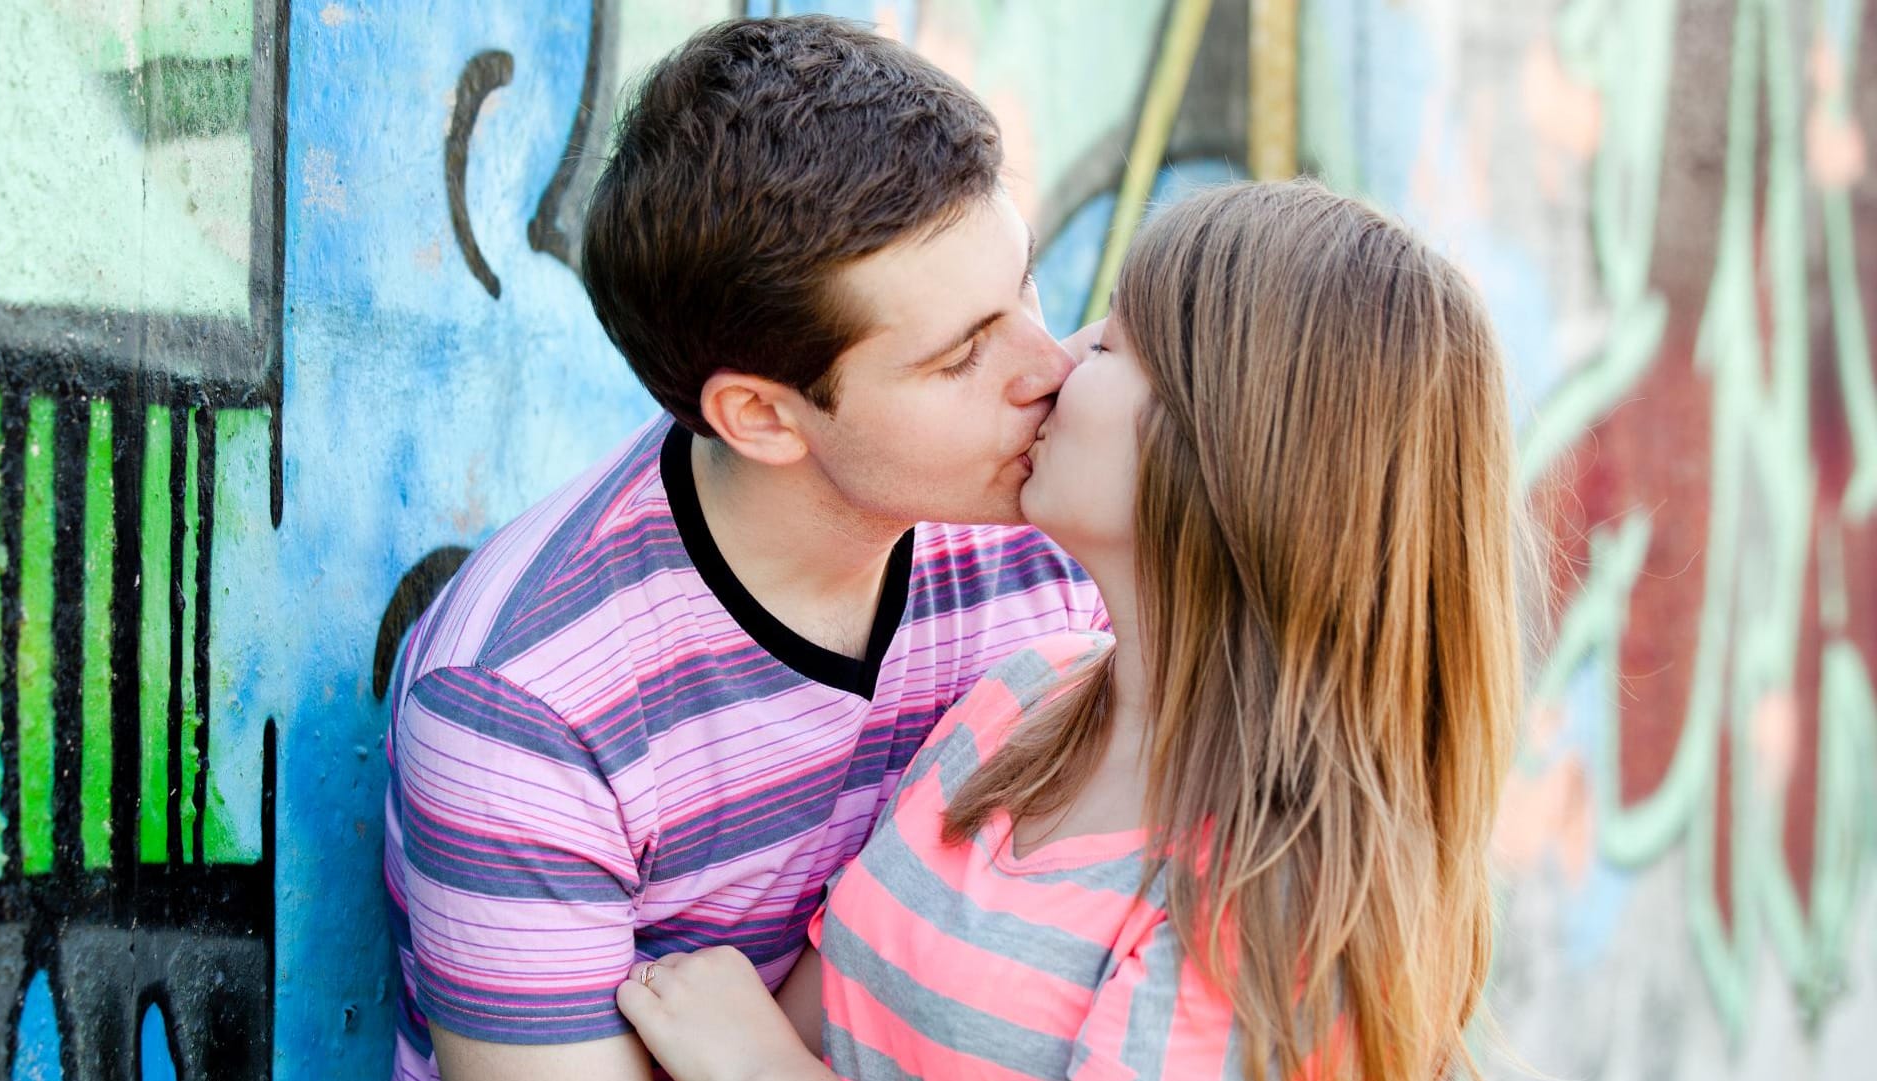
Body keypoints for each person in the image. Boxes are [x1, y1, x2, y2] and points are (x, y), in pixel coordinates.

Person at [614, 180, 1526, 1081]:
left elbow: (757, 1043)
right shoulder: (1018, 699)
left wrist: (756, 1065)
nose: (1057, 362)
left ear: (1223, 452)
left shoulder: (1279, 902)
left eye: (1114, 342)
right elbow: (829, 1016)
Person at [382, 16, 1108, 1081]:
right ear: (764, 418)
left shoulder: (1059, 542)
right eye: (963, 355)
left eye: (1025, 289)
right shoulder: (526, 706)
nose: (1048, 368)